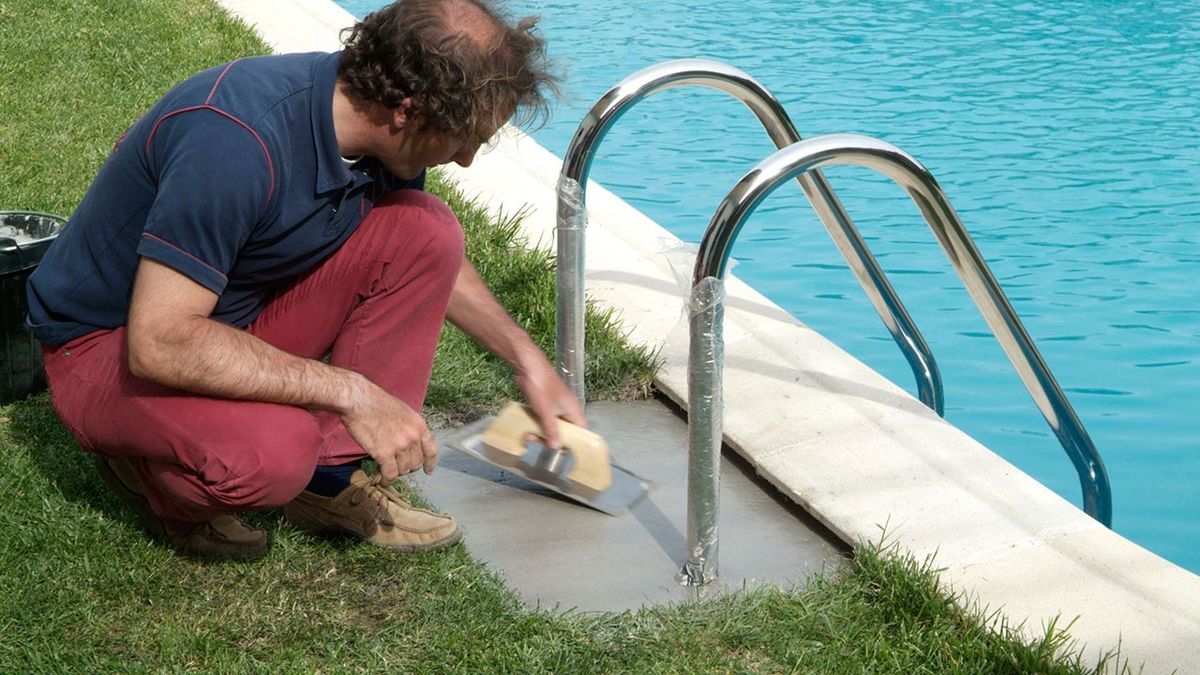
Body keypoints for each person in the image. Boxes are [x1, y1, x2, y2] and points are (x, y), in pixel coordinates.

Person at [25, 0, 583, 561]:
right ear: (407, 113)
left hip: (224, 318)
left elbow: (421, 253)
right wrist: (352, 392)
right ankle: (153, 477)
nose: (464, 158)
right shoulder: (234, 141)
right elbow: (160, 342)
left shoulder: (367, 118)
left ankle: (329, 482)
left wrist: (526, 362)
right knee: (274, 456)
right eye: (464, 138)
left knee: (425, 228)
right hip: (108, 346)